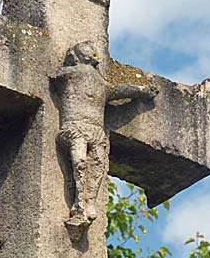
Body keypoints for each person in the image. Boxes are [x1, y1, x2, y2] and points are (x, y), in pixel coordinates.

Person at [51, 41, 158, 229]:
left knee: (98, 165)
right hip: (74, 127)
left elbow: (121, 90)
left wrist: (142, 91)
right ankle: (78, 205)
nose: (92, 56)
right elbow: (52, 75)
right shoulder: (68, 74)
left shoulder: (102, 83)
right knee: (80, 162)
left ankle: (89, 203)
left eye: (93, 54)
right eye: (87, 53)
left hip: (96, 131)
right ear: (76, 57)